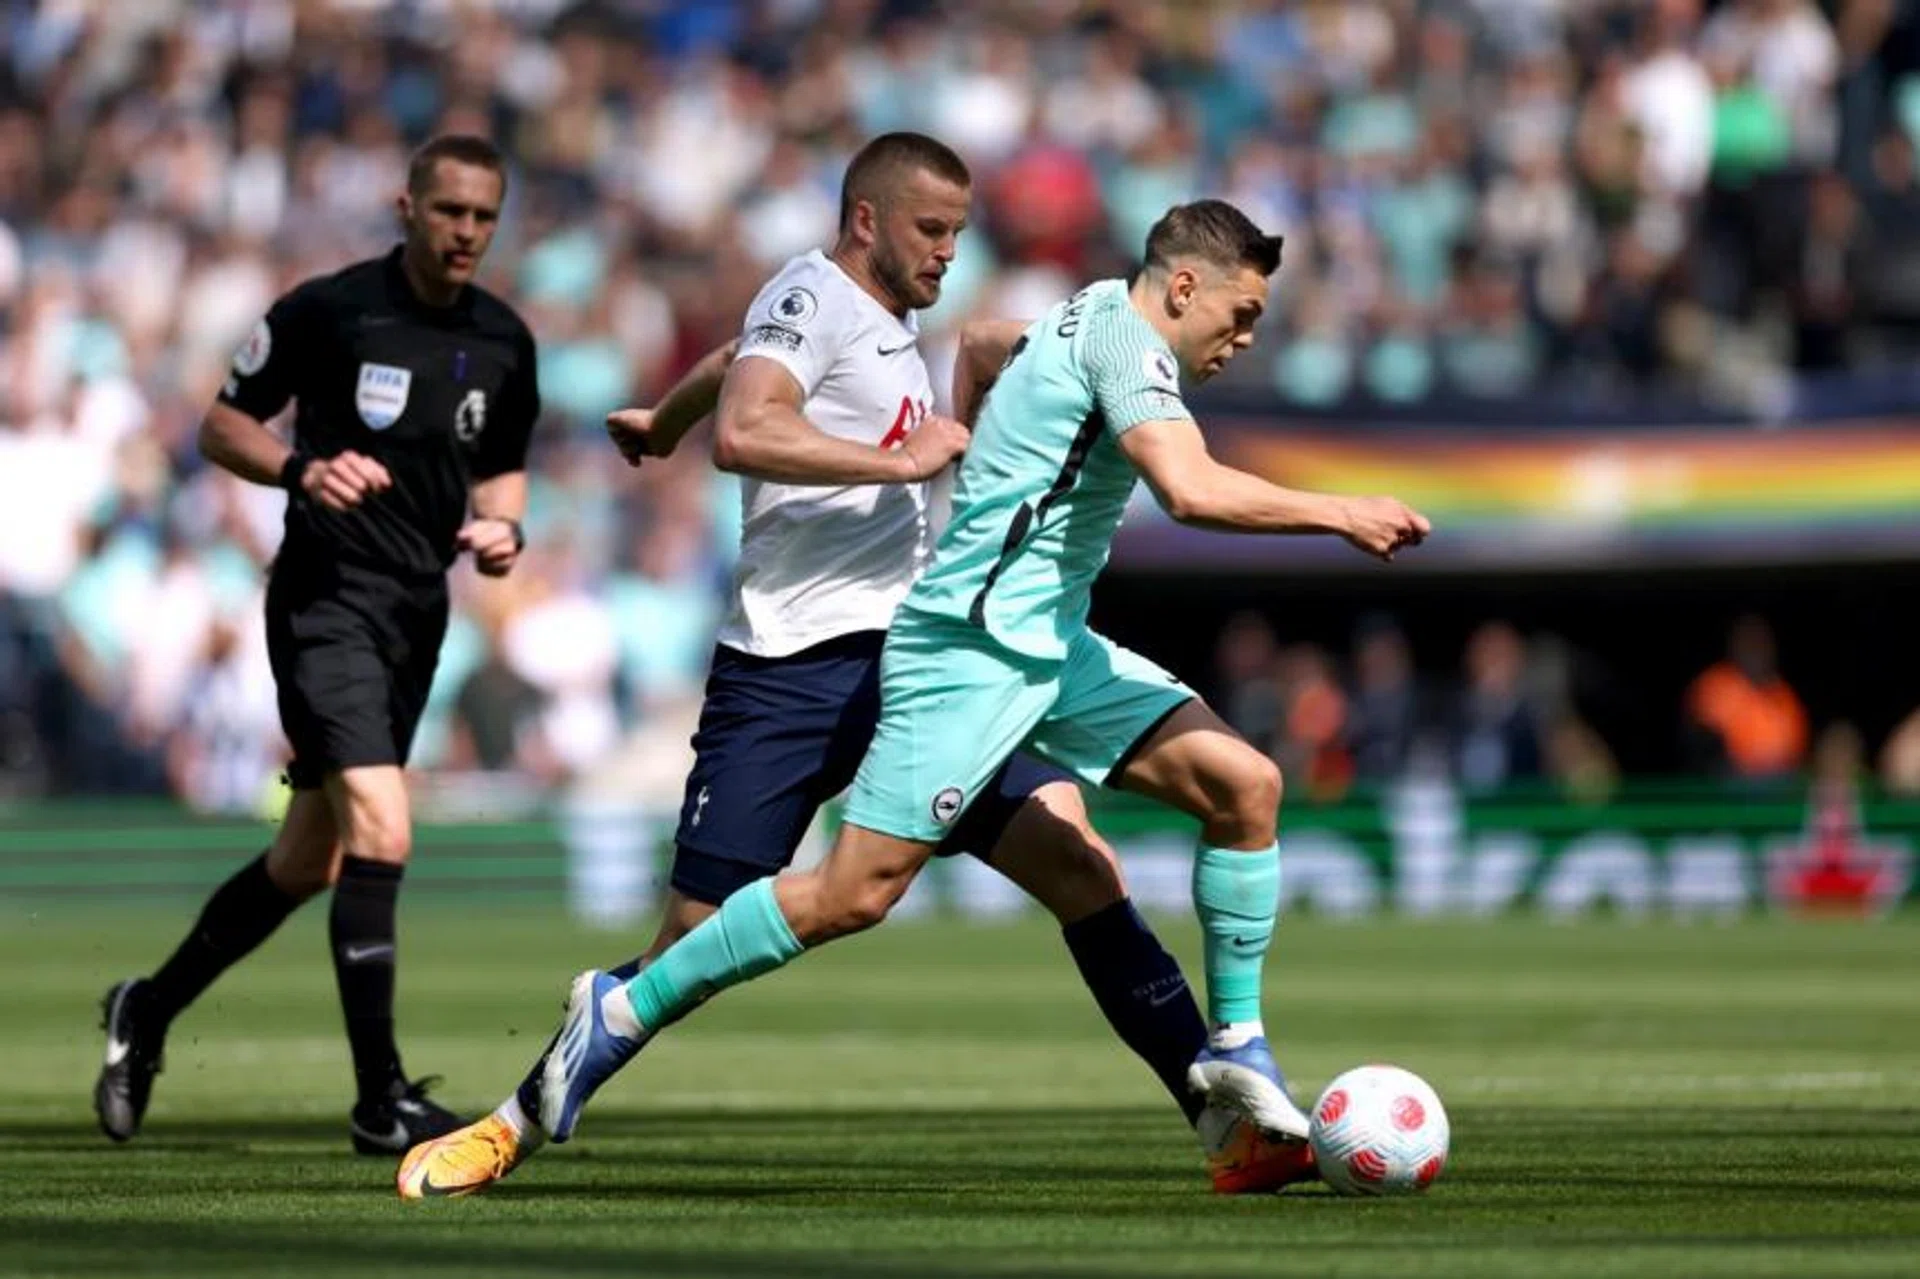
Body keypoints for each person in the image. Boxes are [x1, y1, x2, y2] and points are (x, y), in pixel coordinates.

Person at [402, 190, 1431, 1197]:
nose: (1247, 338)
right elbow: (1190, 490)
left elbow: (984, 343)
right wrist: (1341, 510)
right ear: (1186, 284)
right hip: (960, 654)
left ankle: (1238, 1055)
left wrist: (985, 479)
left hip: (1045, 645)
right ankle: (618, 1010)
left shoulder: (1074, 316)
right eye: (1241, 315)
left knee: (1240, 786)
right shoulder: (1119, 339)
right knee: (850, 894)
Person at [93, 135, 540, 1155]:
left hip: (419, 614)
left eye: (484, 216)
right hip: (324, 598)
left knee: (309, 857)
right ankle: (380, 1098)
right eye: (450, 211)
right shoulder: (330, 311)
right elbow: (219, 426)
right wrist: (301, 471)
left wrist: (505, 529)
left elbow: (503, 467)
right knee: (382, 827)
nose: (466, 231)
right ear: (407, 205)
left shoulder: (507, 338)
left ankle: (146, 1010)